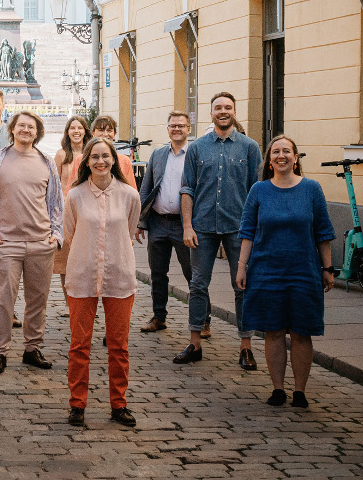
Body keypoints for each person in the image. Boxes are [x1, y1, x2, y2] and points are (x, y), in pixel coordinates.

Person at [237, 135, 335, 409]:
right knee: (274, 331)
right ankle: (278, 388)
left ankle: (300, 391)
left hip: (304, 270)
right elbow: (247, 232)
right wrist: (241, 267)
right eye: (275, 152)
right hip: (266, 270)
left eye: (287, 152)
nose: (281, 156)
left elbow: (323, 232)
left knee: (302, 333)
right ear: (269, 161)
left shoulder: (312, 189)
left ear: (295, 157)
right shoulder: (258, 190)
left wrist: (327, 268)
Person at [177, 92, 261, 369]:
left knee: (242, 285)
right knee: (198, 284)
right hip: (202, 225)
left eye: (228, 107)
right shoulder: (197, 148)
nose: (223, 111)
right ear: (210, 112)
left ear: (234, 112)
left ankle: (246, 346)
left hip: (239, 227)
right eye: (218, 108)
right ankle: (194, 342)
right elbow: (187, 188)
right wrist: (187, 225)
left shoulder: (250, 148)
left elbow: (256, 191)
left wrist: (255, 229)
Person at [62, 138, 141, 429]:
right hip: (82, 275)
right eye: (94, 157)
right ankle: (77, 404)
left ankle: (119, 403)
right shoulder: (75, 196)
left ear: (113, 160)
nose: (100, 162)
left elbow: (129, 231)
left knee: (118, 346)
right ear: (87, 162)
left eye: (105, 156)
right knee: (79, 345)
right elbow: (71, 232)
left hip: (119, 276)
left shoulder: (129, 195)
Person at [0, 111, 62, 374]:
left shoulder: (47, 162)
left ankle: (32, 348)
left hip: (40, 242)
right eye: (21, 126)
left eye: (31, 127)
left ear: (37, 132)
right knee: (3, 300)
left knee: (38, 299)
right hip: (7, 243)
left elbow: (57, 202)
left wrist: (56, 236)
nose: (26, 130)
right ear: (12, 129)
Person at [135, 112, 194, 334]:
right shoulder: (158, 155)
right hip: (158, 222)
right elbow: (146, 189)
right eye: (172, 126)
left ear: (189, 128)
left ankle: (203, 319)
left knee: (193, 273)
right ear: (167, 129)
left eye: (181, 125)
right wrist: (141, 220)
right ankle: (159, 317)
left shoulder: (195, 154)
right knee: (157, 274)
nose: (176, 129)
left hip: (184, 224)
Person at [51, 116, 90, 281]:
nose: (76, 131)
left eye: (79, 128)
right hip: (66, 212)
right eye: (72, 128)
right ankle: (69, 304)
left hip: (88, 210)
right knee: (65, 261)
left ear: (85, 131)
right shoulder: (61, 155)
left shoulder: (91, 154)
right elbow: (54, 185)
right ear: (67, 132)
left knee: (86, 257)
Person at [89, 116, 134, 181]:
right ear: (93, 133)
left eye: (109, 130)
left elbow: (131, 189)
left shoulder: (125, 161)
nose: (105, 134)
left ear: (114, 134)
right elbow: (72, 188)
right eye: (101, 130)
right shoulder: (81, 160)